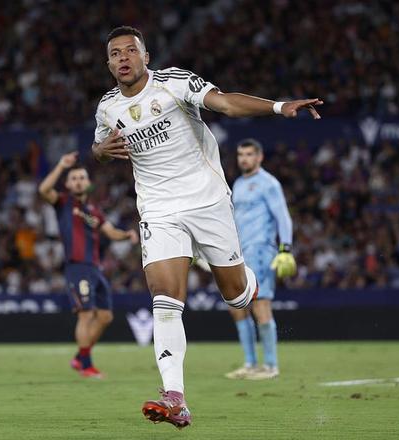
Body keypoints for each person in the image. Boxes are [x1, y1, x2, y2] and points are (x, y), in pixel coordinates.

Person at [92, 26, 322, 429]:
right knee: (165, 298)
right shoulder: (107, 107)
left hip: (208, 202)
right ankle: (175, 398)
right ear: (109, 64)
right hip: (159, 211)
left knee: (236, 296)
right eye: (115, 53)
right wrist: (100, 152)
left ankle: (247, 279)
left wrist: (278, 106)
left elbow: (227, 104)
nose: (123, 58)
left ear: (146, 56)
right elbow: (100, 147)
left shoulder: (174, 82)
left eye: (131, 50)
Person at [39, 151, 138, 378]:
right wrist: (61, 165)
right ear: (67, 184)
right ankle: (86, 365)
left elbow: (110, 232)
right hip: (77, 267)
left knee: (105, 317)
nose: (78, 181)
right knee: (86, 315)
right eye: (73, 178)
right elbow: (44, 190)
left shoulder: (94, 211)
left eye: (81, 178)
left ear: (88, 183)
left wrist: (127, 235)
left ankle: (80, 357)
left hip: (95, 268)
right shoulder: (63, 202)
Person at [224, 139, 296, 381]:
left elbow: (283, 217)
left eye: (249, 154)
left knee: (260, 305)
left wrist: (285, 248)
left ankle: (271, 366)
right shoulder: (238, 184)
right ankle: (250, 363)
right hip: (240, 254)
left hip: (261, 250)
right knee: (237, 307)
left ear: (259, 157)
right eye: (240, 154)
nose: (244, 158)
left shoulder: (269, 183)